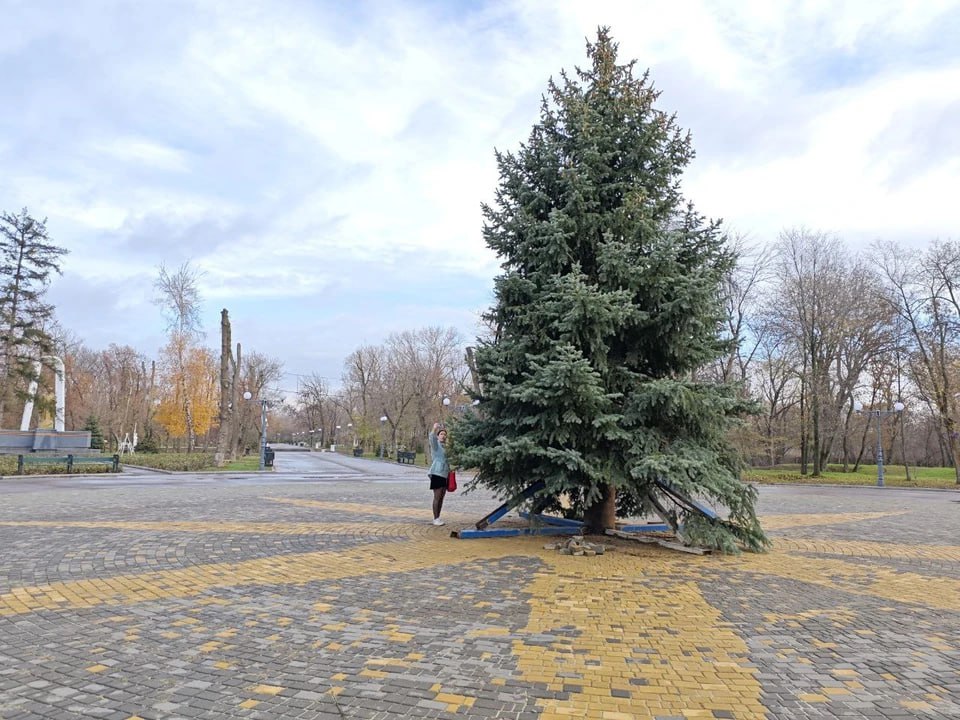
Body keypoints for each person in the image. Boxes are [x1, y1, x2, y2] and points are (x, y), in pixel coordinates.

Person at [427, 422, 450, 526]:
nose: (443, 436)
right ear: (438, 436)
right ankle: (435, 518)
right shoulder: (436, 445)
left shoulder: (446, 447)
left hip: (444, 474)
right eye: (441, 434)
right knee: (437, 496)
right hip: (436, 473)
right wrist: (434, 428)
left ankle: (438, 517)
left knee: (441, 497)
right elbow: (431, 437)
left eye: (445, 434)